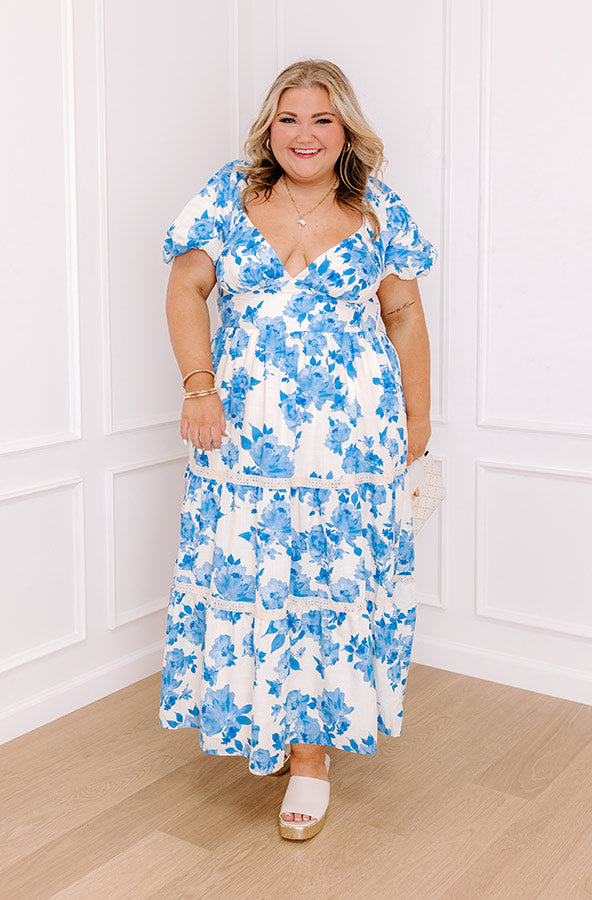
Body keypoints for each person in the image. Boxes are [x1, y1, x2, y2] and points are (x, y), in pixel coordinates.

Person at [158, 58, 438, 841]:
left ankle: (312, 759)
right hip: (243, 435)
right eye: (289, 118)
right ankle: (270, 724)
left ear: (345, 129)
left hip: (351, 439)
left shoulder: (378, 209)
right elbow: (186, 287)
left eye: (322, 119)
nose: (304, 134)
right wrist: (199, 384)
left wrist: (419, 418)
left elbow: (405, 315)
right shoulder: (229, 193)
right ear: (269, 127)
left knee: (327, 580)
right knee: (255, 576)